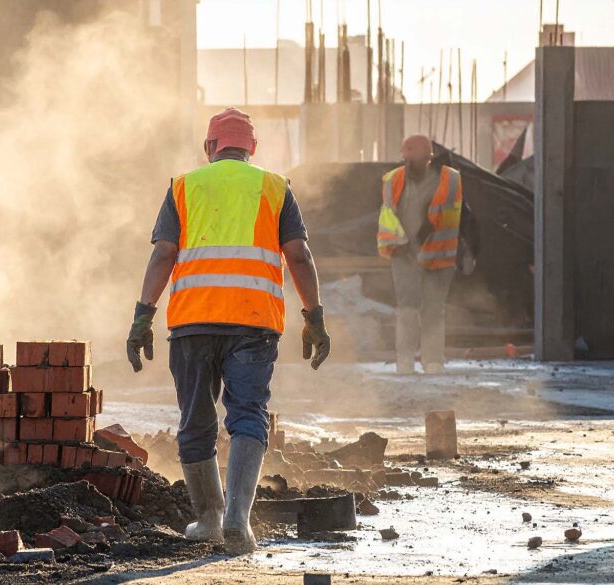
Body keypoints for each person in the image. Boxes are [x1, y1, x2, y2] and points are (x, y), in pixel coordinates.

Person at [126, 108, 330, 555]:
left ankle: (209, 519)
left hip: (192, 323)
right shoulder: (275, 188)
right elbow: (299, 256)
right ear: (252, 149)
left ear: (210, 147)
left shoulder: (184, 186)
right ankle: (239, 519)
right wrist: (313, 316)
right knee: (248, 415)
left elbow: (163, 255)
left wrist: (143, 315)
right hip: (254, 323)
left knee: (196, 422)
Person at [377, 135, 463, 375]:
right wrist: (400, 243)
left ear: (428, 158)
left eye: (416, 157)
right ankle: (405, 361)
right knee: (407, 308)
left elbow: (459, 215)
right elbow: (388, 215)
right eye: (407, 157)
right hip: (404, 254)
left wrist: (468, 250)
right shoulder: (392, 179)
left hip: (438, 253)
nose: (409, 161)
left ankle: (433, 361)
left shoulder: (449, 179)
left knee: (433, 309)